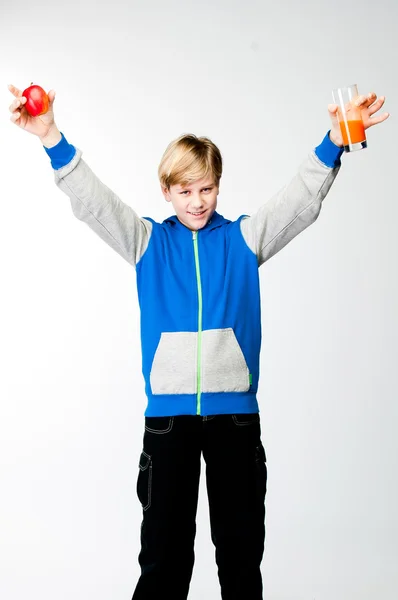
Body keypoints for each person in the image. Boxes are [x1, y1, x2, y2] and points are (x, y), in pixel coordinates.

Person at [8, 83, 389, 600]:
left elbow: (298, 201)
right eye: (184, 190)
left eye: (206, 188)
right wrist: (50, 136)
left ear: (218, 186)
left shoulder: (243, 240)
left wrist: (335, 141)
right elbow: (92, 201)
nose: (196, 201)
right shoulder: (147, 242)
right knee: (163, 559)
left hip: (235, 419)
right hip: (168, 424)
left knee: (239, 558)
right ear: (166, 190)